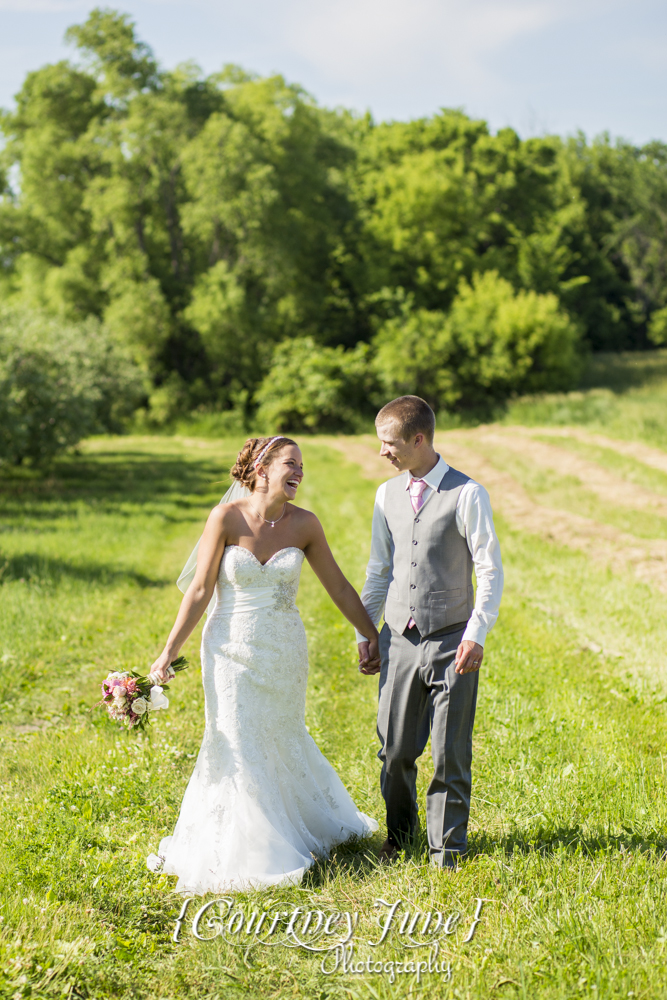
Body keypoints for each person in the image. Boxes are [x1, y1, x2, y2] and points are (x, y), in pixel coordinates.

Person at [146, 435, 379, 893]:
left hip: (284, 649)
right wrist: (168, 651)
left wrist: (373, 635)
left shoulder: (306, 524)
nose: (299, 473)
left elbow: (340, 589)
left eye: (302, 467)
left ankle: (291, 826)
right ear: (261, 469)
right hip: (229, 650)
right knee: (235, 736)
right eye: (291, 464)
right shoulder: (226, 518)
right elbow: (198, 591)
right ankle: (246, 847)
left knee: (279, 733)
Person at [357, 396, 503, 869]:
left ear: (418, 439)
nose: (383, 452)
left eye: (389, 443)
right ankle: (399, 837)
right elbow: (379, 570)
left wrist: (476, 633)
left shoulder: (468, 494)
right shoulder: (385, 495)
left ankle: (447, 849)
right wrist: (366, 631)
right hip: (398, 637)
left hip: (452, 638)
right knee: (395, 750)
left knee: (449, 751)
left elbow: (489, 569)